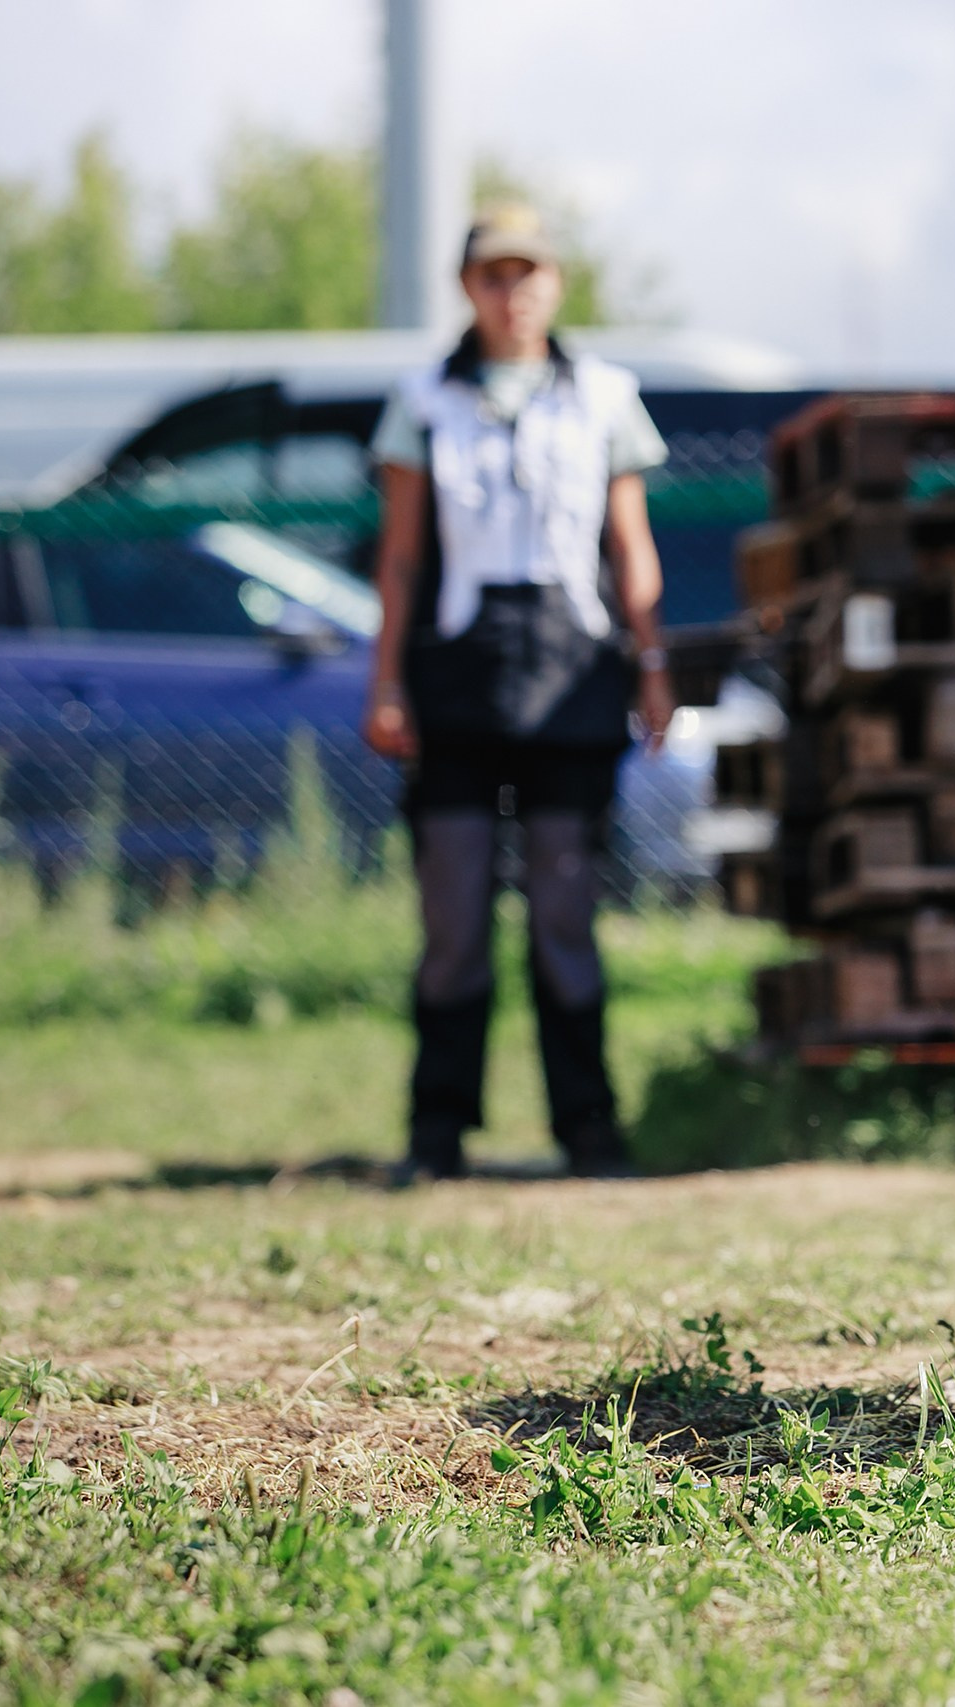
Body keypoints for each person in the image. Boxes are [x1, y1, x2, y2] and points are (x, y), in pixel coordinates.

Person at [361, 204, 676, 1179]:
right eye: (492, 274)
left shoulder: (604, 397)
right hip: (455, 670)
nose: (511, 291)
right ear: (467, 286)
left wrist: (651, 662)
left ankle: (587, 1128)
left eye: (527, 272)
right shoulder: (422, 401)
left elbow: (629, 547)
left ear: (555, 284)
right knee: (453, 915)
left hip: (572, 670)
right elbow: (403, 556)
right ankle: (436, 1132)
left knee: (563, 911)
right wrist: (386, 679)